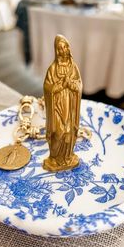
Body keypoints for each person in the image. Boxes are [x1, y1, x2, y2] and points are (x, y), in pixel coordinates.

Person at [43, 35, 82, 172]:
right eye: (60, 48)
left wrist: (70, 84)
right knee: (58, 132)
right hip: (58, 107)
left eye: (65, 47)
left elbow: (79, 86)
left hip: (70, 106)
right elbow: (48, 88)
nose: (63, 50)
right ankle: (54, 157)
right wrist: (59, 86)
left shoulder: (73, 67)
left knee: (69, 132)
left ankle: (67, 156)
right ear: (56, 51)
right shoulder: (52, 69)